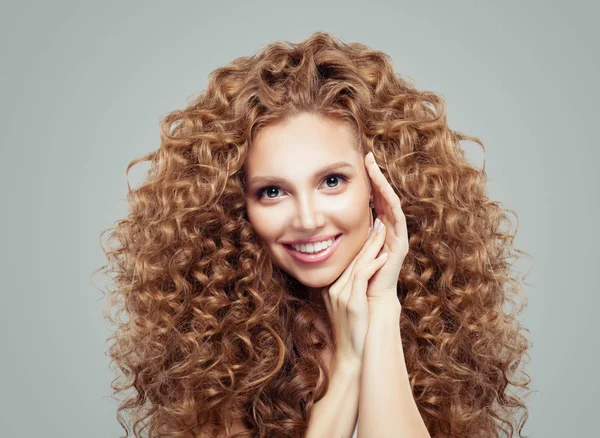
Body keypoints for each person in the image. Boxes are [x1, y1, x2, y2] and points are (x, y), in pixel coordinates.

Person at [98, 31, 532, 437]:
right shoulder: (221, 352)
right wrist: (347, 366)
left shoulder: (441, 332)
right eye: (272, 191)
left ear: (379, 187)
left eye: (331, 182)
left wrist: (381, 309)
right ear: (237, 208)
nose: (307, 219)